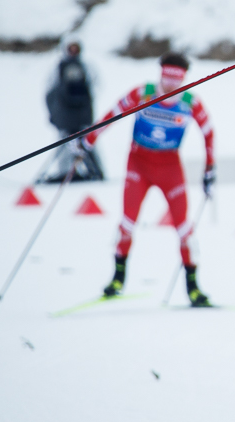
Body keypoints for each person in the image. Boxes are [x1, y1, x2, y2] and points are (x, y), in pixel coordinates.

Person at [82, 53, 217, 307]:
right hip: (139, 165)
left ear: (183, 78)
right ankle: (118, 279)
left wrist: (209, 170)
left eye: (176, 79)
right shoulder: (143, 93)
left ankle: (193, 288)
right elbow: (112, 114)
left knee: (184, 230)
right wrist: (88, 140)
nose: (170, 84)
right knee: (127, 223)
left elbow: (209, 132)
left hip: (170, 168)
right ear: (160, 74)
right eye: (167, 77)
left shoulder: (189, 101)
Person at [43, 41, 104, 182]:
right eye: (71, 48)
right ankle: (65, 172)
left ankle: (94, 170)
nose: (73, 52)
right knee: (64, 143)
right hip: (64, 115)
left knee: (88, 143)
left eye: (76, 48)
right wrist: (53, 113)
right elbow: (49, 92)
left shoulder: (87, 67)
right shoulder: (57, 68)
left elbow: (96, 87)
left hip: (82, 115)